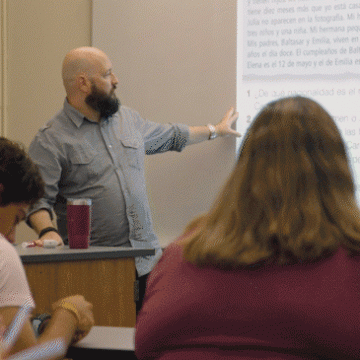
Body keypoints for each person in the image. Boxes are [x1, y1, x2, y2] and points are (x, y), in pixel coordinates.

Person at [135, 96, 360, 360]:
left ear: (244, 168)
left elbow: (145, 346)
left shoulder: (182, 253)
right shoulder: (351, 258)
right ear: (338, 172)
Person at [26, 46, 240, 309]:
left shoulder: (127, 119)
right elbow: (37, 200)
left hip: (147, 265)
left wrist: (215, 130)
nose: (115, 80)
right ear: (83, 83)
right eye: (107, 74)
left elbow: (171, 136)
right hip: (95, 269)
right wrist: (47, 230)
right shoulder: (51, 139)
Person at [0, 137, 94, 359]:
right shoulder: (2, 253)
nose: (12, 236)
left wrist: (37, 324)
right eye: (16, 218)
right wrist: (68, 314)